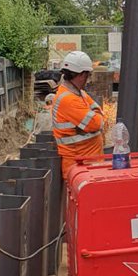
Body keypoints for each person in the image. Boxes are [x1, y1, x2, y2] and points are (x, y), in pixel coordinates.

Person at [50, 50, 105, 179]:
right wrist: (96, 115)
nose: (88, 79)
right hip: (79, 166)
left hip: (86, 164)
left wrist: (96, 114)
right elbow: (98, 123)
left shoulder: (78, 93)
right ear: (81, 75)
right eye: (88, 75)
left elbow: (98, 111)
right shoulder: (69, 99)